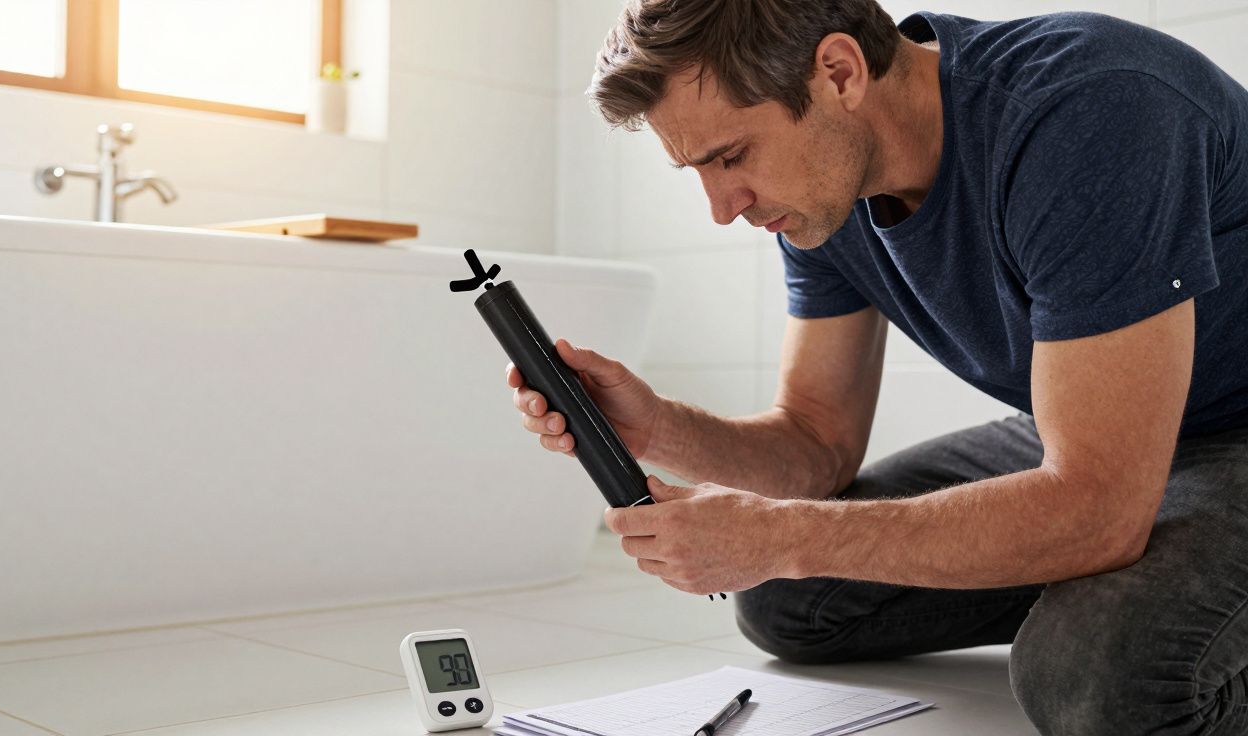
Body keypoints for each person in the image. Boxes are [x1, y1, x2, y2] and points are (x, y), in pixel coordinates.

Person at [504, 1, 1248, 733]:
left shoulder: (1085, 109)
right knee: (792, 601)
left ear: (838, 71)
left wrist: (781, 535)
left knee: (1093, 677)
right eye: (698, 170)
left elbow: (1097, 505)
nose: (723, 207)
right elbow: (814, 442)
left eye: (731, 156)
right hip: (1106, 438)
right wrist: (655, 428)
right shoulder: (826, 192)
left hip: (1225, 432)